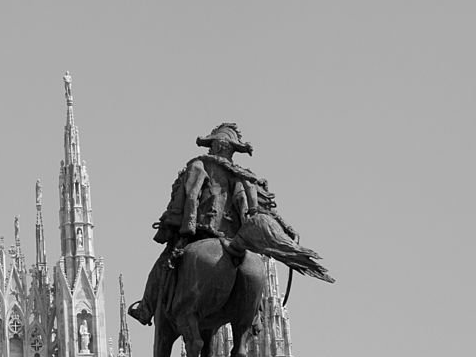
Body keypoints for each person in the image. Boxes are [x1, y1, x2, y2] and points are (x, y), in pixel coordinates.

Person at [130, 124, 332, 326]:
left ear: (217, 146)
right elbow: (259, 211)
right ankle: (255, 316)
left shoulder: (199, 165)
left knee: (162, 265)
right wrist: (286, 228)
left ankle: (145, 309)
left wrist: (186, 225)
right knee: (251, 268)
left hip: (200, 233)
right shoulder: (243, 176)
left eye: (213, 145)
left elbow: (191, 196)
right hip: (233, 238)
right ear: (230, 149)